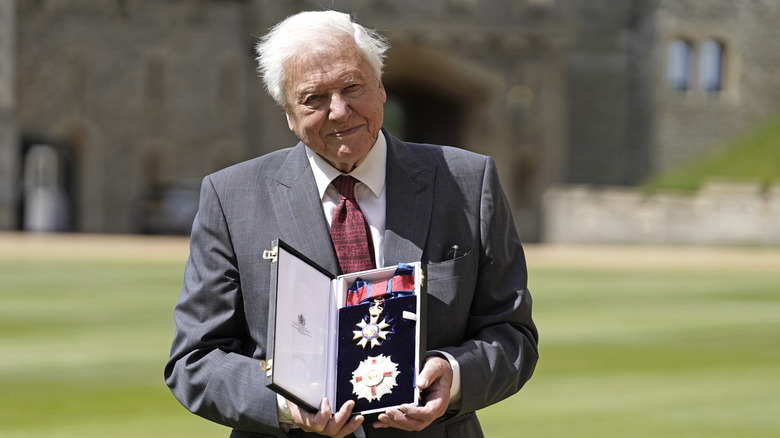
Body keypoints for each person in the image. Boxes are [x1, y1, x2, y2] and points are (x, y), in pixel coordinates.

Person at [165, 10, 538, 438]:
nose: (339, 111)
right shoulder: (231, 196)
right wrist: (284, 405)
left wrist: (455, 376)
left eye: (352, 87)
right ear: (288, 113)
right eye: (313, 98)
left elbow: (512, 336)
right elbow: (194, 361)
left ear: (380, 88)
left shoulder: (468, 182)